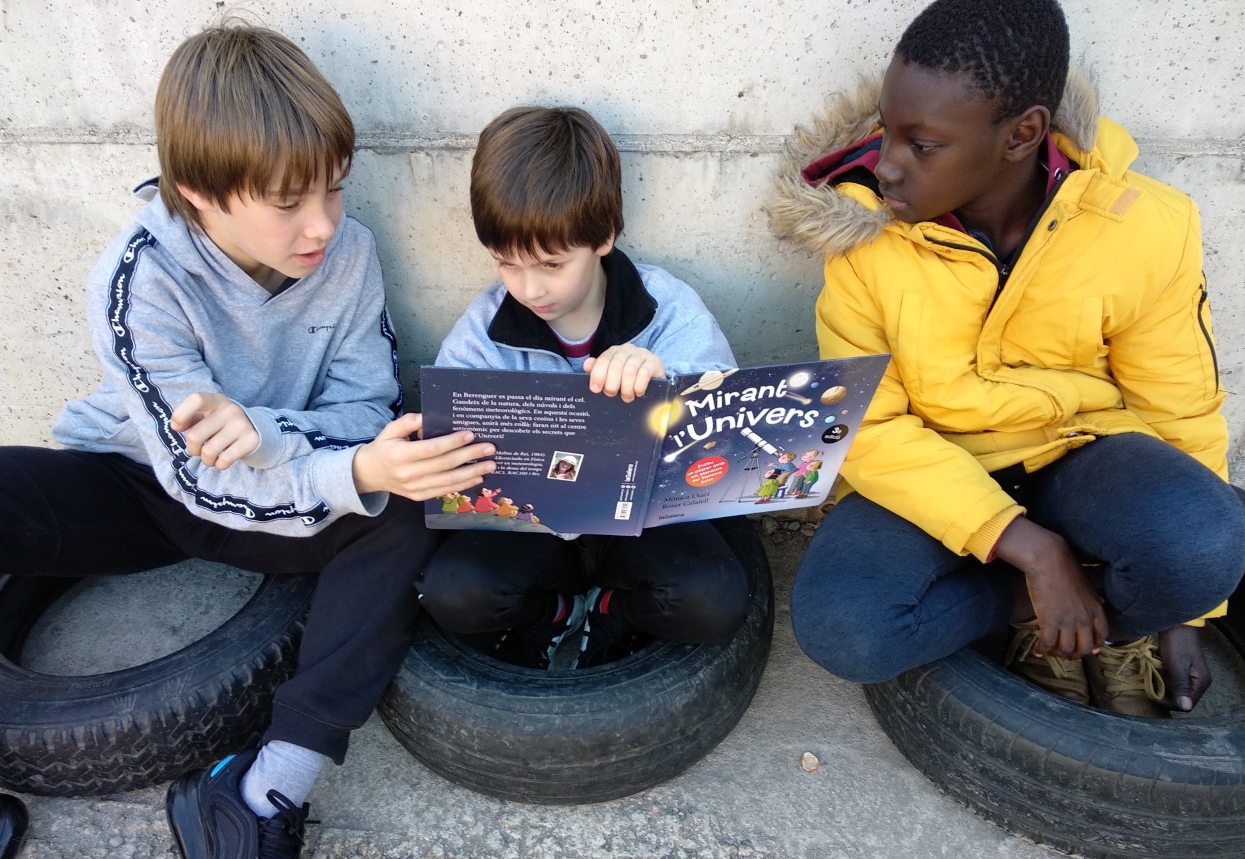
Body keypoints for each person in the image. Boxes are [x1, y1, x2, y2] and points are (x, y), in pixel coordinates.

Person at [0, 24, 495, 859]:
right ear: (201, 193)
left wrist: (289, 443)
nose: (322, 225)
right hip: (134, 486)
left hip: (274, 481)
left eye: (334, 187)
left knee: (413, 495)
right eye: (289, 202)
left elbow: (362, 407)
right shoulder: (139, 277)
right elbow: (195, 479)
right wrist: (319, 460)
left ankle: (261, 793)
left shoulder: (349, 252)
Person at [767, 0, 1245, 716]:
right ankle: (1042, 602)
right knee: (847, 629)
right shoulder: (866, 238)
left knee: (1208, 545)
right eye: (888, 131)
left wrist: (1186, 613)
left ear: (1022, 134)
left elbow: (1181, 403)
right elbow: (868, 428)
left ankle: (1102, 622)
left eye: (922, 145)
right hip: (934, 465)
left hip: (1082, 452)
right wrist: (1030, 551)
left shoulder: (1145, 226)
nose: (887, 166)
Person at [417, 106, 750, 669]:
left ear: (603, 237)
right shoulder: (484, 327)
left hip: (642, 528)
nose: (529, 289)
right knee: (450, 593)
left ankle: (612, 610)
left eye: (551, 264)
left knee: (714, 601)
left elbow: (726, 420)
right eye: (506, 264)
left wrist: (661, 379)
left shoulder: (667, 306)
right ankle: (555, 613)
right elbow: (449, 439)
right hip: (534, 533)